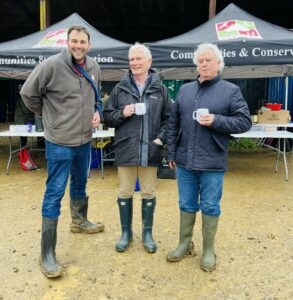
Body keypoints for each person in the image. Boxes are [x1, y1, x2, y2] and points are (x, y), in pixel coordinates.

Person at [20, 25, 105, 278]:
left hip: (84, 140)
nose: (79, 46)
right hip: (59, 141)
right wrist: (50, 117)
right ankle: (47, 254)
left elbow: (97, 97)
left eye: (83, 42)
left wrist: (98, 110)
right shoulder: (51, 66)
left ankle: (79, 221)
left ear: (89, 45)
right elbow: (28, 94)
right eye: (74, 41)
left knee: (80, 183)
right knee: (54, 192)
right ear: (67, 42)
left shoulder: (94, 67)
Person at [166, 43, 252, 271]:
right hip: (185, 160)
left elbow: (244, 122)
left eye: (208, 60)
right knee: (185, 204)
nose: (204, 64)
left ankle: (208, 249)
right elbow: (173, 124)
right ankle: (185, 243)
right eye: (200, 61)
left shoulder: (230, 90)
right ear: (196, 64)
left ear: (218, 64)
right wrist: (171, 153)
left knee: (210, 206)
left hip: (212, 160)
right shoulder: (184, 91)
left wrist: (216, 120)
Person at [104, 43, 172, 253]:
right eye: (132, 59)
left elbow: (169, 120)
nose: (134, 63)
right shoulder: (120, 89)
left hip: (150, 149)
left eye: (138, 59)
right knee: (125, 192)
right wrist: (122, 113)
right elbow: (108, 118)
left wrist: (159, 141)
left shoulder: (160, 90)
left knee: (148, 192)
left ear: (149, 62)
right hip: (126, 149)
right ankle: (126, 234)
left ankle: (147, 233)